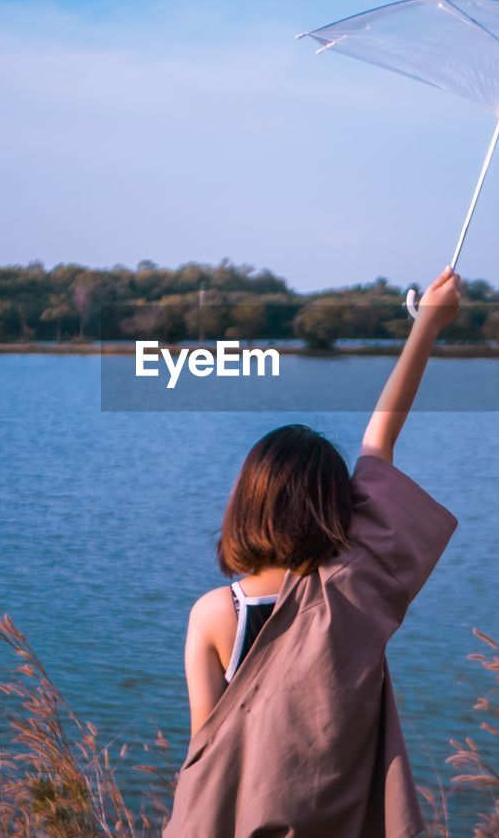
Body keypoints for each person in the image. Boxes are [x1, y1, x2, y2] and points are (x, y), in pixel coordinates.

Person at [165, 267, 462, 837]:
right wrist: (426, 325)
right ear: (337, 508)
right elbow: (380, 444)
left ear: (245, 503)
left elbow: (205, 751)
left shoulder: (213, 614)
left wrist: (426, 319)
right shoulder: (353, 590)